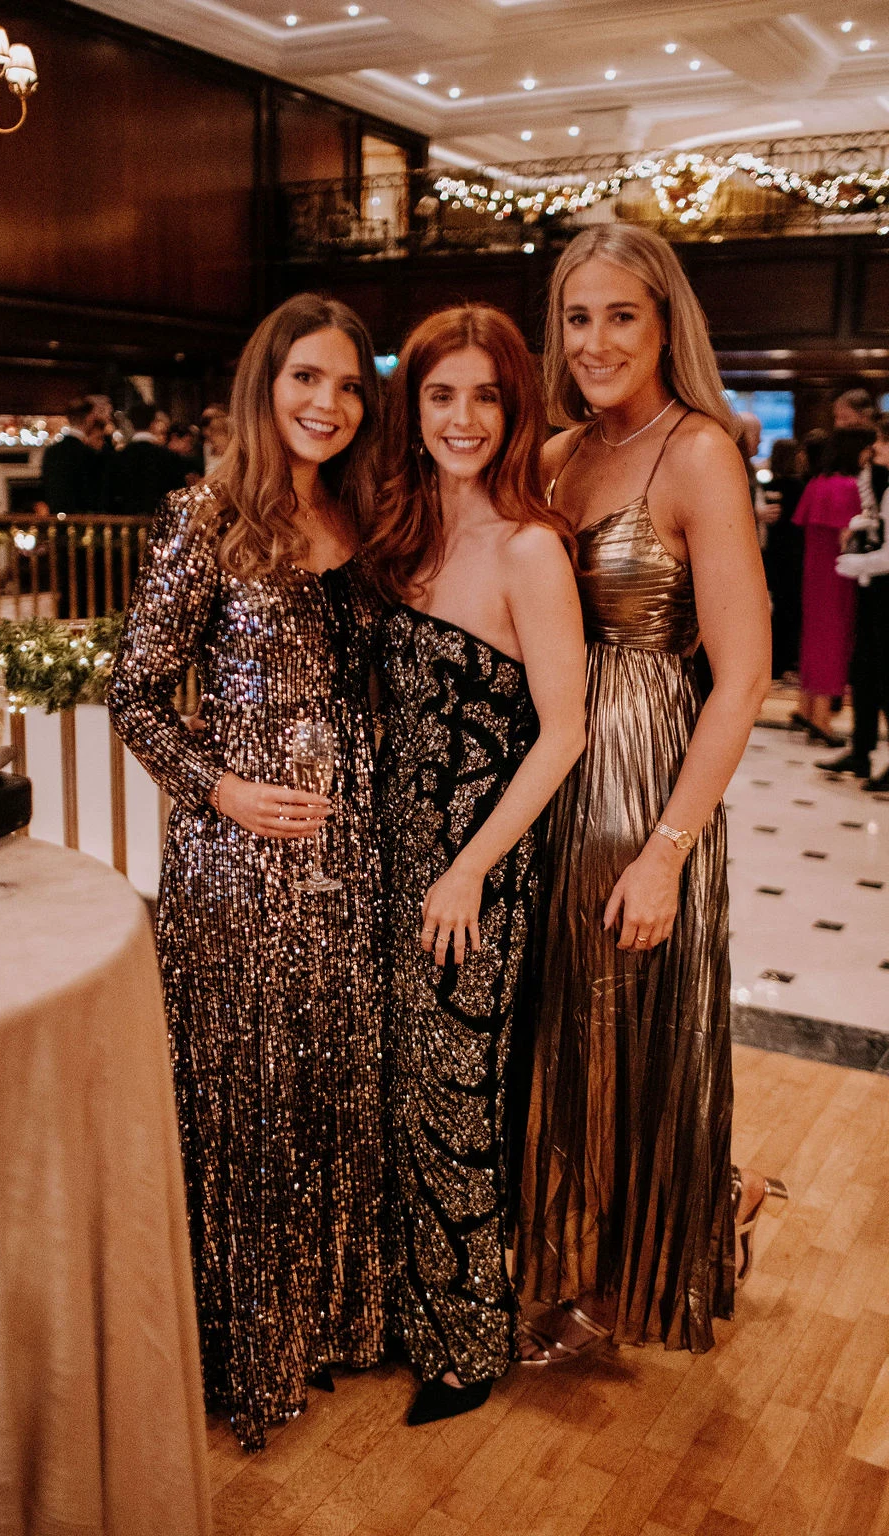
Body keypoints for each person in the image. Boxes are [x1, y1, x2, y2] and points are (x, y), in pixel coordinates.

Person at [109, 293, 387, 1451]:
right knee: (248, 1099)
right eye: (304, 378)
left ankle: (329, 1322)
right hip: (236, 867)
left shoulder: (365, 514)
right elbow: (133, 694)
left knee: (331, 1082)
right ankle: (243, 1350)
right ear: (263, 385)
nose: (327, 402)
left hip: (350, 858)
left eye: (348, 384)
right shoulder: (205, 515)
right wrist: (220, 788)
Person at [513, 224, 778, 1369]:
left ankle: (617, 1279)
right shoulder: (555, 453)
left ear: (667, 324)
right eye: (577, 318)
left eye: (621, 315)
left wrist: (670, 847)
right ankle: (634, 1227)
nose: (595, 341)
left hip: (643, 783)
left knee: (627, 1027)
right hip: (547, 771)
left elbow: (745, 675)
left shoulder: (699, 452)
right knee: (557, 1028)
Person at [369, 304, 586, 1426]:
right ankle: (405, 1310)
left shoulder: (528, 547)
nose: (462, 418)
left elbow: (565, 732)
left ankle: (467, 1344)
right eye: (441, 394)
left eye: (486, 396)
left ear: (515, 409)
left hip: (475, 877)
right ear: (412, 406)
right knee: (397, 1094)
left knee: (457, 1104)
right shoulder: (401, 531)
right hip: (386, 857)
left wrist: (467, 871)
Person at [791, 427, 875, 747]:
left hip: (813, 573)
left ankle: (806, 707)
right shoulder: (848, 486)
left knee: (813, 637)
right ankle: (822, 718)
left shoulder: (818, 483)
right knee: (834, 640)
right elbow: (846, 535)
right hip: (837, 574)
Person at [824, 415, 889, 790]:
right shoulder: (879, 479)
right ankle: (860, 751)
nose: (876, 446)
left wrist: (855, 564)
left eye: (883, 441)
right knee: (864, 672)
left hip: (883, 588)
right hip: (875, 590)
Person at [760, 438, 805, 679]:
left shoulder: (768, 485)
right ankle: (785, 661)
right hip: (792, 556)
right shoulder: (798, 487)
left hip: (771, 554)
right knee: (789, 608)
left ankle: (774, 663)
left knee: (775, 609)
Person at [109, 398, 186, 516]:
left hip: (125, 522)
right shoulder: (169, 457)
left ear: (131, 424)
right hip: (160, 520)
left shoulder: (118, 457)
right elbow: (178, 494)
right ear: (153, 423)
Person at [40, 397, 107, 516]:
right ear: (89, 418)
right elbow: (94, 494)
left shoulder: (51, 451)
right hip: (82, 520)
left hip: (55, 519)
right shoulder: (89, 454)